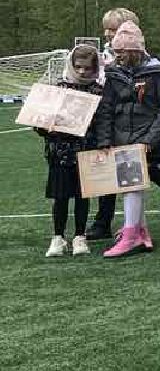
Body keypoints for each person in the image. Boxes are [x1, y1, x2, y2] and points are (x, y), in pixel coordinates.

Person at [96, 22, 160, 258]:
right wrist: (105, 140)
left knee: (132, 184)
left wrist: (149, 139)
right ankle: (139, 231)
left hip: (146, 137)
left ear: (134, 51)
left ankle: (132, 234)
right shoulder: (114, 73)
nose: (117, 56)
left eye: (121, 52)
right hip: (122, 136)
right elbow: (106, 107)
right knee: (130, 185)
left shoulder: (158, 72)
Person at [40, 45, 105, 258]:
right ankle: (58, 238)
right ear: (71, 65)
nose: (83, 72)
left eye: (87, 68)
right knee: (60, 197)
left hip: (85, 152)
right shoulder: (59, 88)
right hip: (59, 153)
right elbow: (41, 121)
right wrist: (44, 127)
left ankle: (79, 237)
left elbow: (102, 122)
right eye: (78, 67)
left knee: (81, 196)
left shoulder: (97, 91)